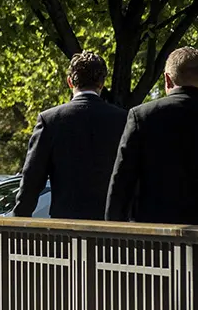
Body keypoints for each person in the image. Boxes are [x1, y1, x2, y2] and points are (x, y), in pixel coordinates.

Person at [103, 47, 198, 226]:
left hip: (154, 236)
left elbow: (122, 182)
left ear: (167, 79)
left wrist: (115, 232)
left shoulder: (142, 117)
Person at [15, 50, 128, 219]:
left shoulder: (50, 120)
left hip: (67, 223)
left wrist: (20, 217)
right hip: (113, 225)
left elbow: (32, 178)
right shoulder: (124, 119)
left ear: (70, 82)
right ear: (102, 83)